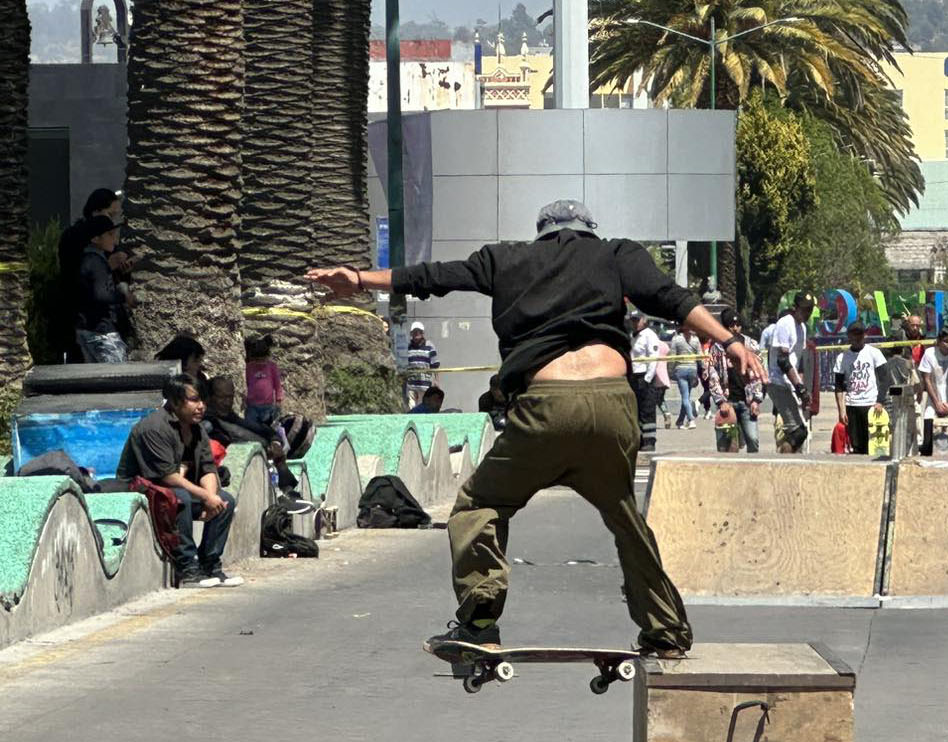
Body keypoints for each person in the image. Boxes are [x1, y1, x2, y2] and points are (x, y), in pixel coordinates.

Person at [306, 198, 763, 656]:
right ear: (589, 230)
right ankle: (665, 630)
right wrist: (731, 340)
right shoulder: (616, 254)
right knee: (624, 516)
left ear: (542, 232)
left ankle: (481, 619)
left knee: (478, 504)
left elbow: (434, 277)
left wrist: (361, 279)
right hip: (611, 406)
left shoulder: (506, 259)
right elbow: (674, 299)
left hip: (545, 409)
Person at [116, 373, 243, 588]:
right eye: (194, 400)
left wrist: (211, 498)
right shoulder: (153, 428)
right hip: (145, 488)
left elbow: (207, 468)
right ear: (175, 402)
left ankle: (209, 564)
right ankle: (187, 568)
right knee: (180, 497)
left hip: (177, 487)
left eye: (203, 400)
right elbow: (167, 476)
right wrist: (204, 496)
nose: (201, 406)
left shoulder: (197, 428)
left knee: (225, 500)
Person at [204, 376, 299, 493]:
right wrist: (267, 446)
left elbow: (256, 428)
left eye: (230, 397)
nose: (227, 402)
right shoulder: (208, 422)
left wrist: (274, 441)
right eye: (222, 397)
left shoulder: (229, 416)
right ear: (210, 398)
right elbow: (236, 433)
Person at [73, 215, 129, 364]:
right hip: (101, 331)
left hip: (85, 329)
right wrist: (125, 296)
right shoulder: (96, 262)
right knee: (118, 376)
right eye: (109, 235)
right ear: (95, 239)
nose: (114, 239)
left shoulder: (86, 259)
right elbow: (101, 294)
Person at [833, 322, 888, 455]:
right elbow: (839, 387)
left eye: (860, 335)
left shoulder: (874, 353)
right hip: (852, 404)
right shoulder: (842, 358)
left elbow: (885, 380)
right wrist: (841, 410)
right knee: (857, 446)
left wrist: (880, 401)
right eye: (854, 335)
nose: (857, 338)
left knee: (875, 444)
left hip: (871, 404)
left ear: (865, 335)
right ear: (849, 336)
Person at [767, 293, 813, 452]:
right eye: (804, 310)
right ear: (795, 308)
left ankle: (787, 458)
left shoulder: (803, 328)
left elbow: (798, 363)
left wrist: (802, 390)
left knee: (799, 433)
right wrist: (799, 387)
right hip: (778, 381)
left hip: (790, 383)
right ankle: (782, 464)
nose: (807, 314)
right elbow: (783, 361)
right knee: (797, 432)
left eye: (810, 310)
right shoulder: (785, 324)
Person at [716, 308, 762, 453]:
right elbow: (712, 374)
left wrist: (756, 399)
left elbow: (759, 373)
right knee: (728, 446)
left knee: (753, 440)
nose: (735, 328)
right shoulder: (718, 347)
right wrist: (720, 400)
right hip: (728, 401)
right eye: (731, 325)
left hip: (747, 401)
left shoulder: (752, 345)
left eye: (738, 325)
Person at [918, 325, 948, 455]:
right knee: (928, 443)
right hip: (934, 402)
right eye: (946, 341)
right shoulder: (930, 353)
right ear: (939, 341)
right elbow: (926, 378)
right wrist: (937, 402)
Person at [629, 312, 662, 450]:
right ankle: (640, 440)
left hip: (645, 376)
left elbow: (653, 358)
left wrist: (648, 378)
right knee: (637, 410)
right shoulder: (633, 336)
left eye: (637, 320)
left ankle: (649, 441)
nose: (635, 323)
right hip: (634, 375)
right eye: (633, 320)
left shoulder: (650, 335)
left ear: (644, 320)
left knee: (647, 409)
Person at [243, 334, 284, 428]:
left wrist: (278, 401)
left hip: (268, 406)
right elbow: (248, 383)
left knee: (268, 427)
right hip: (252, 405)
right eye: (257, 360)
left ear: (267, 356)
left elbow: (277, 385)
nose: (260, 362)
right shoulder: (249, 367)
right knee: (251, 427)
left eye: (263, 359)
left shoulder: (272, 367)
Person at [156, 335, 212, 402]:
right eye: (195, 361)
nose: (200, 366)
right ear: (181, 362)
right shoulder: (158, 384)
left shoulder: (201, 380)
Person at [670, 324, 701, 429]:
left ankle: (691, 419)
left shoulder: (676, 339)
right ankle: (680, 421)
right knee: (687, 396)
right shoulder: (696, 340)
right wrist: (704, 369)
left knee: (685, 397)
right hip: (693, 369)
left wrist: (670, 370)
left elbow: (673, 357)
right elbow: (700, 356)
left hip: (681, 368)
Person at [404, 323, 441, 409]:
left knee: (425, 408)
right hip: (411, 385)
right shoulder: (408, 347)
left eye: (419, 331)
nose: (416, 334)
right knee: (411, 408)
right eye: (414, 332)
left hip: (425, 385)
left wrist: (436, 381)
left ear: (422, 333)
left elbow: (435, 365)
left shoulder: (429, 346)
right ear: (411, 334)